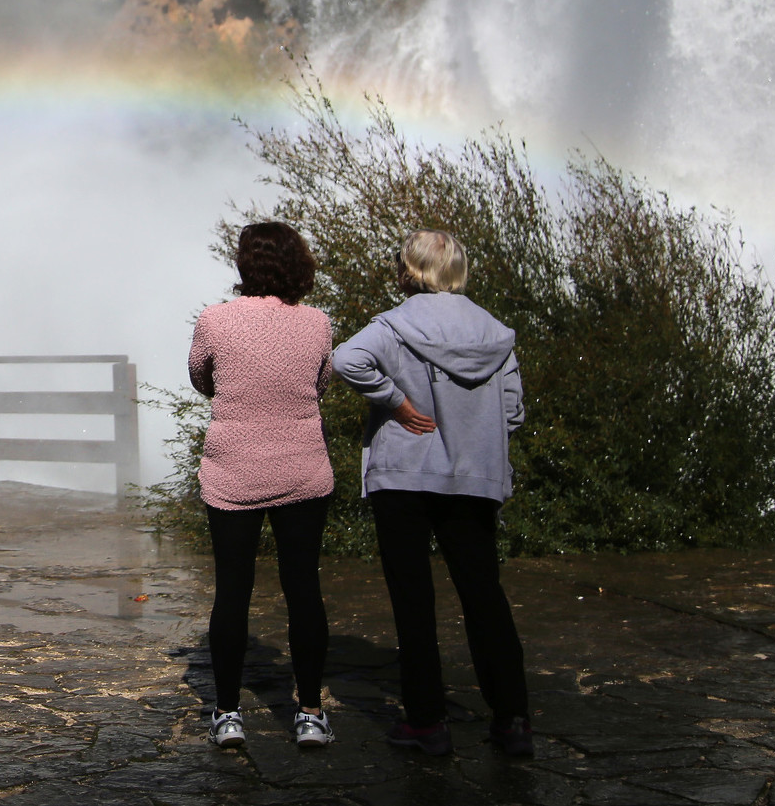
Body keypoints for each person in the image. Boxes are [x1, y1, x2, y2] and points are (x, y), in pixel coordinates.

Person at [333, 230, 532, 758]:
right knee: (484, 595)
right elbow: (512, 410)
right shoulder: (494, 333)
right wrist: (473, 431)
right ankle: (512, 721)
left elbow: (345, 360)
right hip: (473, 479)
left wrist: (395, 402)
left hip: (404, 476)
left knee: (413, 600)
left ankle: (427, 723)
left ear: (409, 270)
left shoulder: (394, 325)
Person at [189, 221, 337, 751]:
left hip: (234, 470)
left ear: (244, 265)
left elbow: (201, 379)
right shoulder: (318, 323)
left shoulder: (214, 320)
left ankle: (227, 713)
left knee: (233, 591)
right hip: (302, 468)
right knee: (304, 590)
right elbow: (319, 385)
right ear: (298, 263)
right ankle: (311, 713)